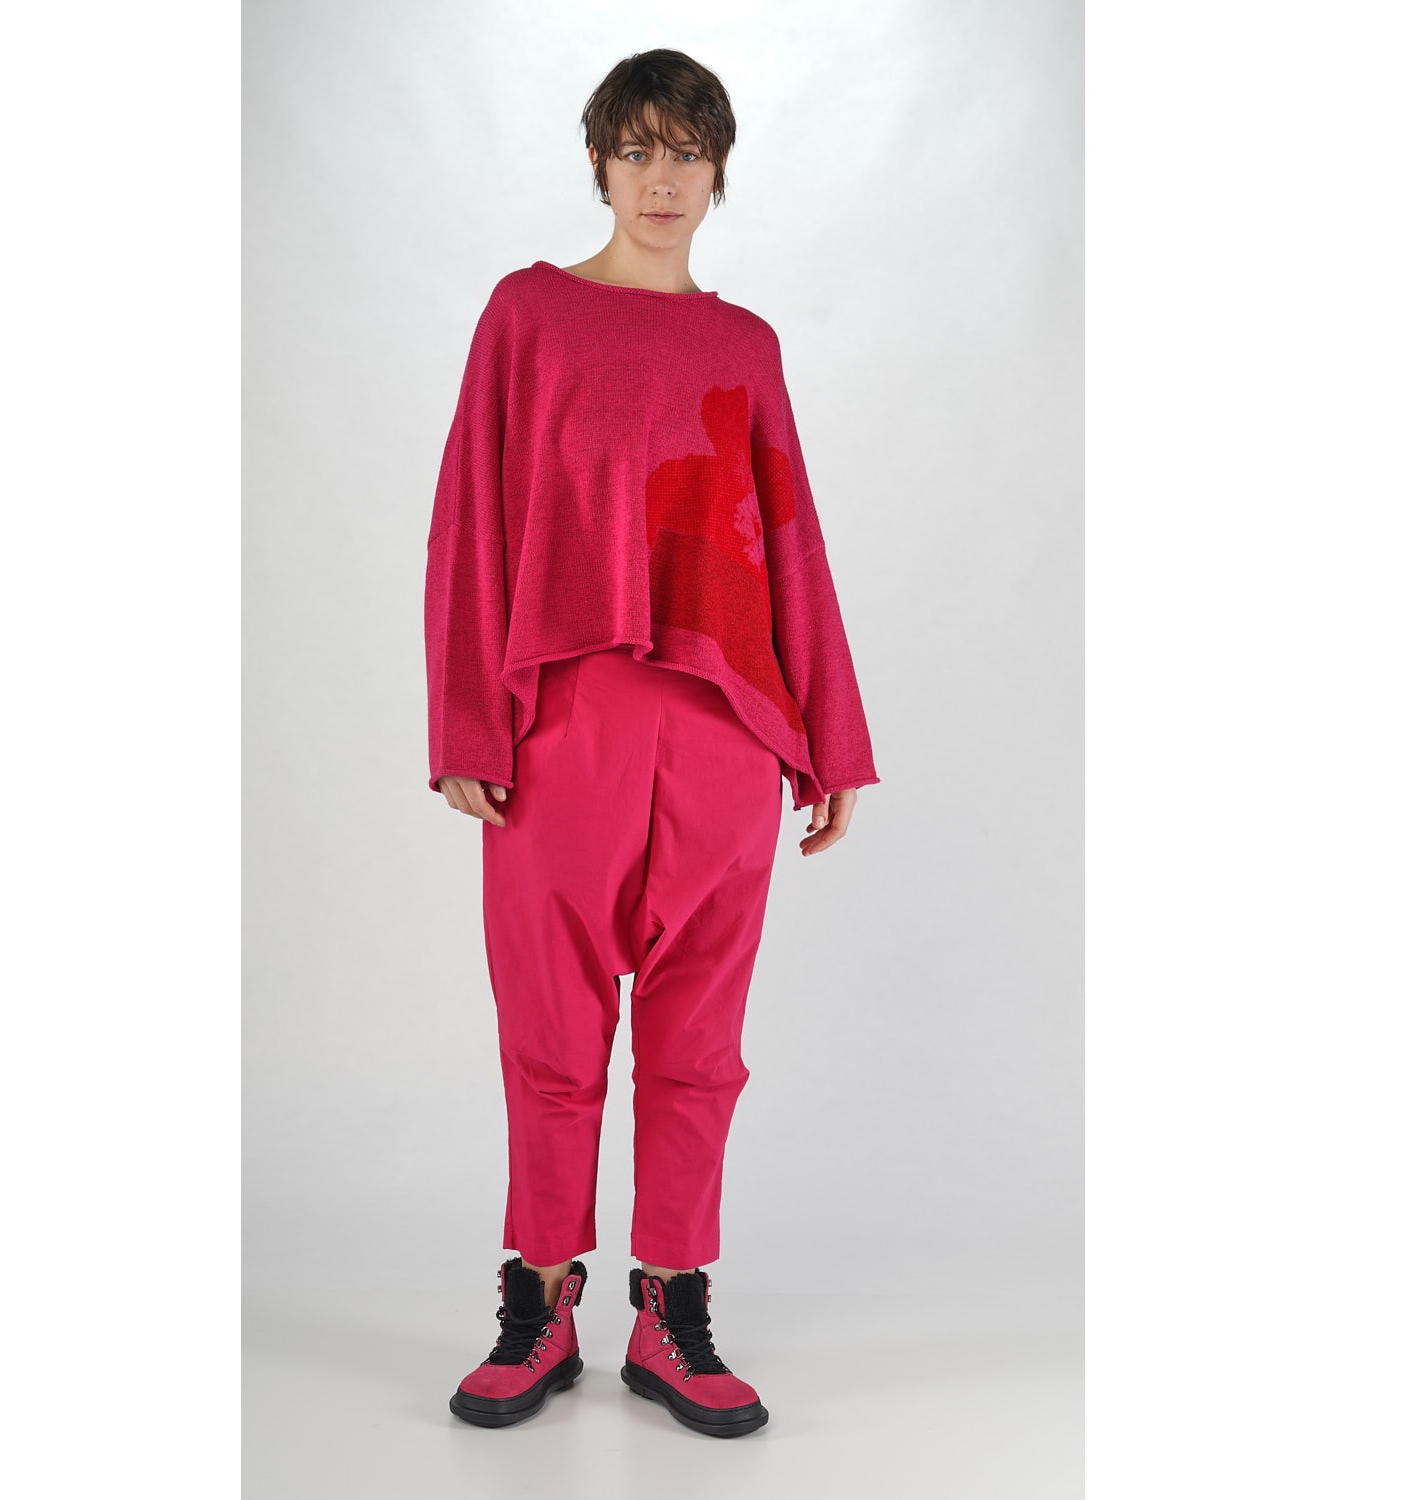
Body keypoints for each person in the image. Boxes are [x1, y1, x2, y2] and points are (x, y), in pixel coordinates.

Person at [431, 49, 879, 1437]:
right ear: (599, 165)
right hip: (563, 718)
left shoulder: (744, 346)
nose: (663, 178)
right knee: (550, 1029)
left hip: (726, 729)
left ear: (720, 170)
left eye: (688, 152)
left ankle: (671, 1311)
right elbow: (471, 516)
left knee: (699, 1042)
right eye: (637, 150)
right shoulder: (529, 315)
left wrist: (829, 739)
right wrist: (465, 718)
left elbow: (789, 535)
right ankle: (538, 1301)